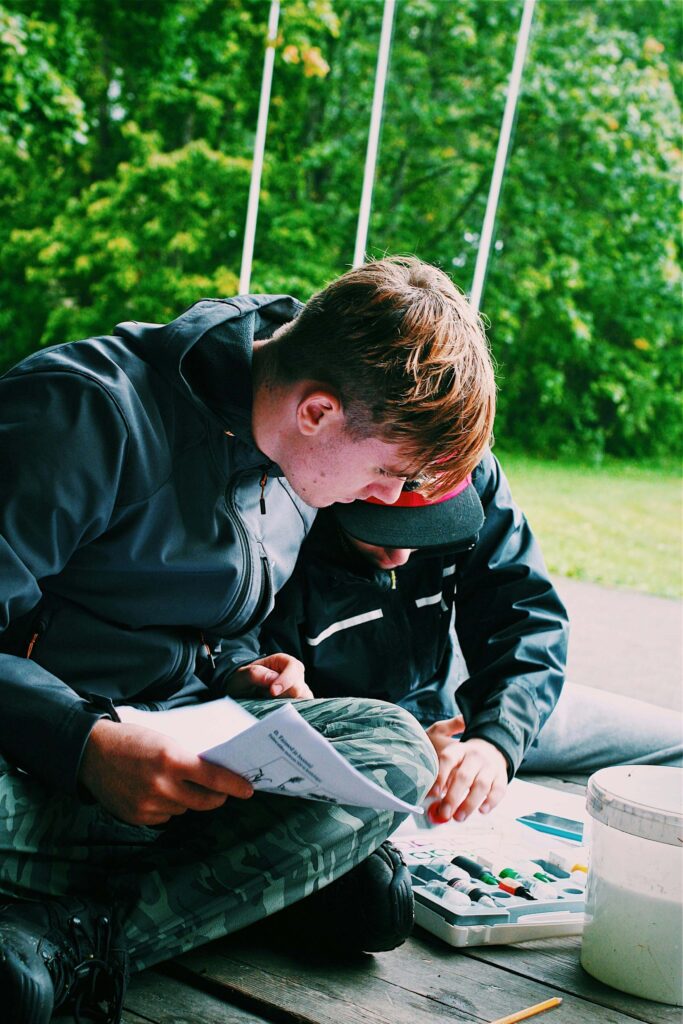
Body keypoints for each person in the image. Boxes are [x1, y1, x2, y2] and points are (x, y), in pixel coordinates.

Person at [0, 256, 497, 1022]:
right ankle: (255, 885)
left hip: (180, 762)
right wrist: (84, 744)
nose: (391, 503)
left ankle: (80, 930)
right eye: (393, 474)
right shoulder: (82, 412)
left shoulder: (294, 455)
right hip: (35, 760)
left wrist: (240, 672)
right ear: (318, 413)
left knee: (392, 746)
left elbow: (208, 631)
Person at [253, 452, 683, 824]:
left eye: (425, 529)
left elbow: (525, 620)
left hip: (467, 708)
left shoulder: (472, 473)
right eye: (378, 527)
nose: (399, 554)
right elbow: (262, 696)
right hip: (362, 740)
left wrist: (495, 742)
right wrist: (403, 750)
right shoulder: (285, 497)